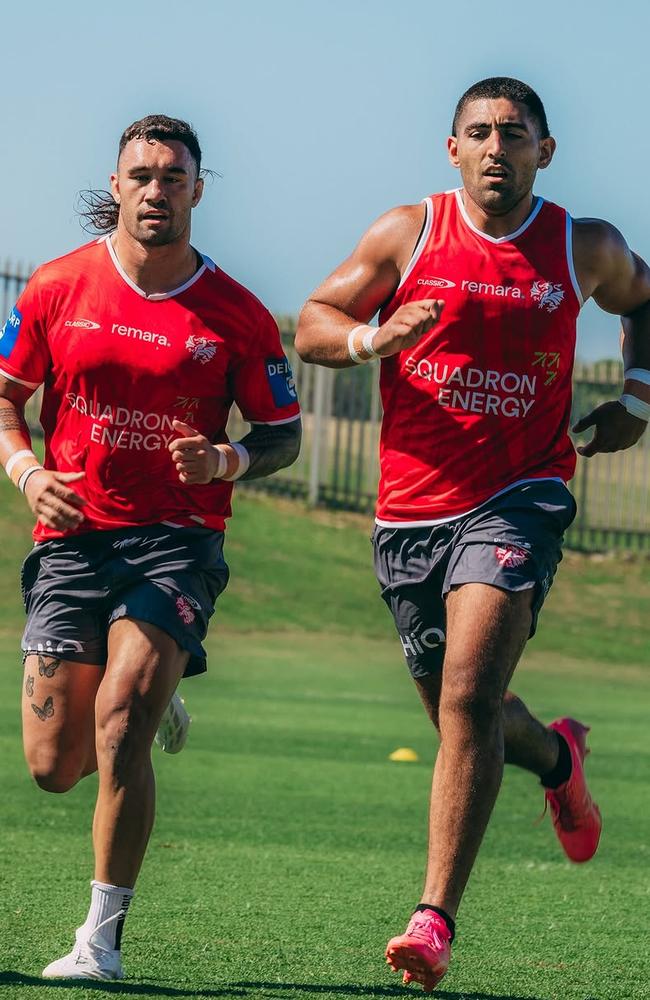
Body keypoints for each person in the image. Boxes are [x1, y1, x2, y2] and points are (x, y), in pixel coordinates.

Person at [295, 77, 650, 992]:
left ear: (546, 150)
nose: (498, 146)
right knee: (471, 718)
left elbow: (646, 302)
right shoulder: (407, 233)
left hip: (522, 497)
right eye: (480, 132)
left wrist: (641, 402)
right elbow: (313, 324)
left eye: (516, 133)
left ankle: (434, 920)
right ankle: (558, 756)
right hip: (410, 513)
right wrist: (377, 341)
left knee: (466, 697)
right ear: (451, 149)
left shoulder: (585, 246)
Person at [0, 114, 301, 981]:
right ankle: (150, 690)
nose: (157, 190)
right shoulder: (59, 287)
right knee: (54, 769)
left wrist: (229, 458)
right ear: (118, 184)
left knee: (121, 723)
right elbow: (6, 403)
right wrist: (27, 475)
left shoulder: (238, 315)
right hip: (71, 540)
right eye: (143, 176)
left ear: (197, 191)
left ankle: (100, 942)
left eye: (174, 177)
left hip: (176, 542)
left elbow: (282, 435)